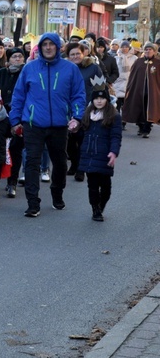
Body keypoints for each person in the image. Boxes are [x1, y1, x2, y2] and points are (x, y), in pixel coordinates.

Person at [9, 33, 86, 217]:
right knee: (32, 163)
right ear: (40, 47)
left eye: (52, 44)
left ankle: (57, 194)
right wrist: (15, 120)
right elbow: (19, 95)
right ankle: (33, 203)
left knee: (60, 163)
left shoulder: (70, 69)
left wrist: (76, 116)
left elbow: (78, 95)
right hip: (33, 123)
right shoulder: (30, 68)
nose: (49, 47)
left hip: (60, 125)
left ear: (59, 47)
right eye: (45, 44)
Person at [78, 79, 122, 222]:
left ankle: (101, 205)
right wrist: (74, 128)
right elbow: (81, 133)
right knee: (92, 185)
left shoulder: (114, 116)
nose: (99, 101)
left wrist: (113, 152)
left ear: (107, 99)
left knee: (106, 188)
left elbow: (116, 136)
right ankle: (95, 209)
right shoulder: (87, 115)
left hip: (104, 155)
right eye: (96, 98)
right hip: (89, 154)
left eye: (102, 98)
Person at [64, 42, 103, 181]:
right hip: (67, 110)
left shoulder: (93, 68)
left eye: (77, 53)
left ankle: (81, 169)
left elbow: (100, 87)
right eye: (72, 54)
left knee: (82, 140)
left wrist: (98, 105)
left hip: (87, 109)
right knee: (68, 141)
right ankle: (74, 164)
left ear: (84, 53)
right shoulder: (65, 69)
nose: (75, 56)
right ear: (68, 56)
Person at [0, 48, 26, 198]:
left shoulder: (26, 73)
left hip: (19, 116)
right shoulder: (1, 73)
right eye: (14, 57)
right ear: (8, 60)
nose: (18, 59)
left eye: (20, 56)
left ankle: (12, 182)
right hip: (1, 115)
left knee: (15, 149)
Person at [122, 42, 160, 138]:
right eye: (146, 49)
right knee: (138, 108)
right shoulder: (138, 62)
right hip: (138, 90)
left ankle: (146, 129)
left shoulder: (158, 63)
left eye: (150, 49)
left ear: (154, 51)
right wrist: (130, 88)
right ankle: (140, 126)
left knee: (150, 109)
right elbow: (132, 77)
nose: (147, 51)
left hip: (152, 92)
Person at [113, 40, 137, 116]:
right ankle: (117, 120)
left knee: (126, 105)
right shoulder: (116, 58)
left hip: (129, 82)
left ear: (129, 48)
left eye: (126, 47)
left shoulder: (134, 58)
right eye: (122, 47)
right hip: (118, 83)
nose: (124, 48)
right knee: (117, 104)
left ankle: (124, 121)